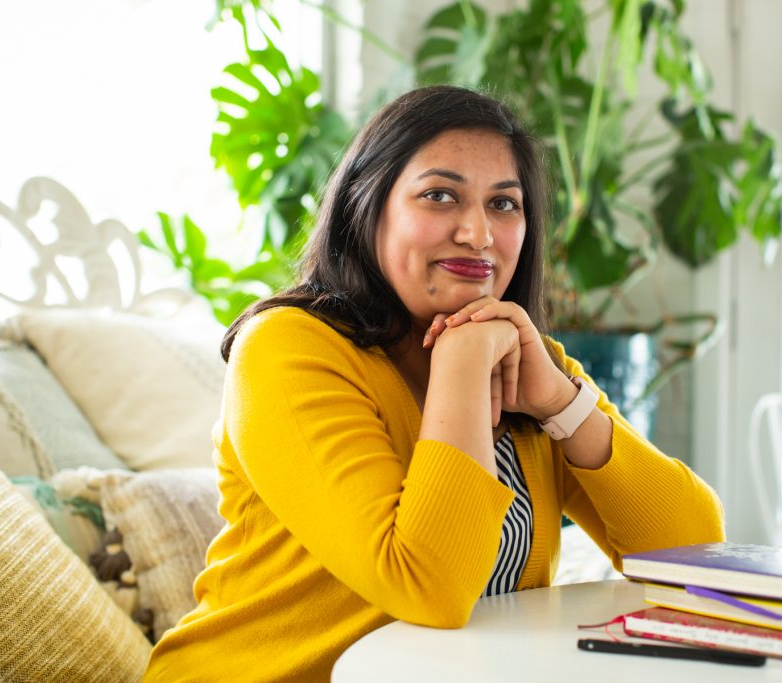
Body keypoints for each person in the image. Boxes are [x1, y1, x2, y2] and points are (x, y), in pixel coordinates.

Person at [144, 85, 724, 682]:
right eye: (440, 195)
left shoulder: (526, 358)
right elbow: (428, 586)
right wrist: (462, 369)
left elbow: (697, 554)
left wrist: (559, 402)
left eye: (504, 204)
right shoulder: (287, 348)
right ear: (366, 209)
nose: (478, 233)